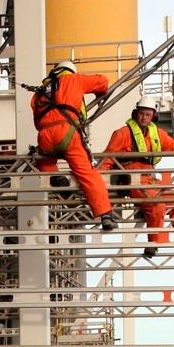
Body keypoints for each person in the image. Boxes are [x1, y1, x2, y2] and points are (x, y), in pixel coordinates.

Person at [101, 95, 174, 258]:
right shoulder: (122, 133)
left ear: (153, 116)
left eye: (147, 114)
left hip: (150, 178)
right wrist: (97, 184)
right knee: (157, 204)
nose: (144, 117)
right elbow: (106, 160)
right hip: (133, 179)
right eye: (141, 113)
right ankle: (154, 244)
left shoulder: (156, 134)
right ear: (136, 114)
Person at [31, 60, 117, 231]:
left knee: (43, 161)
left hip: (45, 135)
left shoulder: (39, 92)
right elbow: (103, 82)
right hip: (67, 132)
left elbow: (36, 120)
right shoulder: (74, 79)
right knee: (87, 173)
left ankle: (56, 179)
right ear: (70, 71)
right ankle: (105, 214)